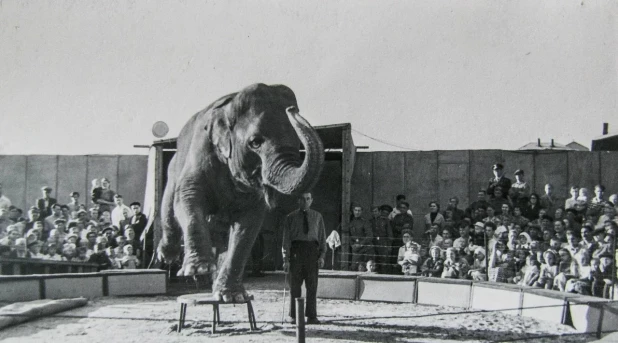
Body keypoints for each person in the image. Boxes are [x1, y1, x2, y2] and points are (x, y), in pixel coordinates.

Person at [282, 192, 326, 325]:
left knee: (312, 285)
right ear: (298, 201)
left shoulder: (318, 216)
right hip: (296, 253)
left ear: (312, 200)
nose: (305, 201)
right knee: (295, 285)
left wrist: (322, 256)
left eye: (308, 199)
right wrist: (286, 259)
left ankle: (311, 316)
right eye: (302, 199)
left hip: (312, 253)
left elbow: (322, 238)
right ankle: (293, 315)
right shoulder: (290, 217)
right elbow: (286, 240)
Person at [345, 205, 374, 271]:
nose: (357, 212)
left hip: (365, 249)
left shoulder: (365, 222)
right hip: (356, 249)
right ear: (353, 211)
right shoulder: (351, 222)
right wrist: (352, 245)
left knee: (366, 268)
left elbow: (370, 236)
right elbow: (348, 235)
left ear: (361, 212)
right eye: (355, 210)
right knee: (354, 267)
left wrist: (361, 244)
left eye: (359, 210)